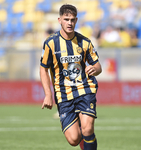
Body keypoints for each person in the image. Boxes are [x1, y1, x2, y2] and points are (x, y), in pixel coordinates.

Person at [40, 4, 102, 150]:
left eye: (72, 19)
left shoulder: (84, 42)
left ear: (76, 20)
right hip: (63, 94)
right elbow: (43, 69)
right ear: (59, 20)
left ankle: (86, 129)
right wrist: (48, 95)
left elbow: (98, 66)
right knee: (74, 139)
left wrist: (95, 69)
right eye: (66, 19)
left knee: (88, 130)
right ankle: (81, 127)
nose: (70, 23)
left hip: (85, 89)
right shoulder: (51, 43)